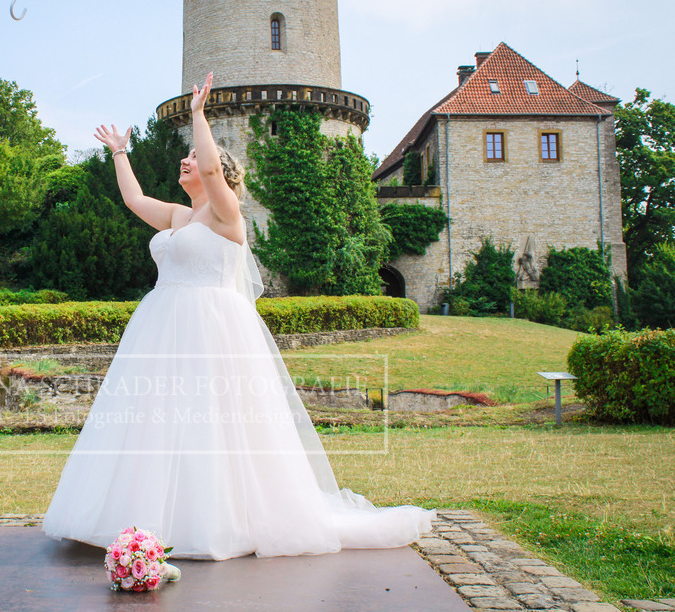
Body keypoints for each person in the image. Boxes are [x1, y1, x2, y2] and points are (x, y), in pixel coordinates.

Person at [42, 73, 434, 560]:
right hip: (162, 326)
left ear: (222, 175)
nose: (185, 162)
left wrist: (199, 116)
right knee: (156, 419)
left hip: (210, 327)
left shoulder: (227, 215)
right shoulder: (179, 217)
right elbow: (133, 201)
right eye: (185, 158)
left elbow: (208, 171)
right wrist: (120, 152)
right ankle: (144, 518)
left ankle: (216, 521)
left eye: (192, 158)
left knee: (213, 419)